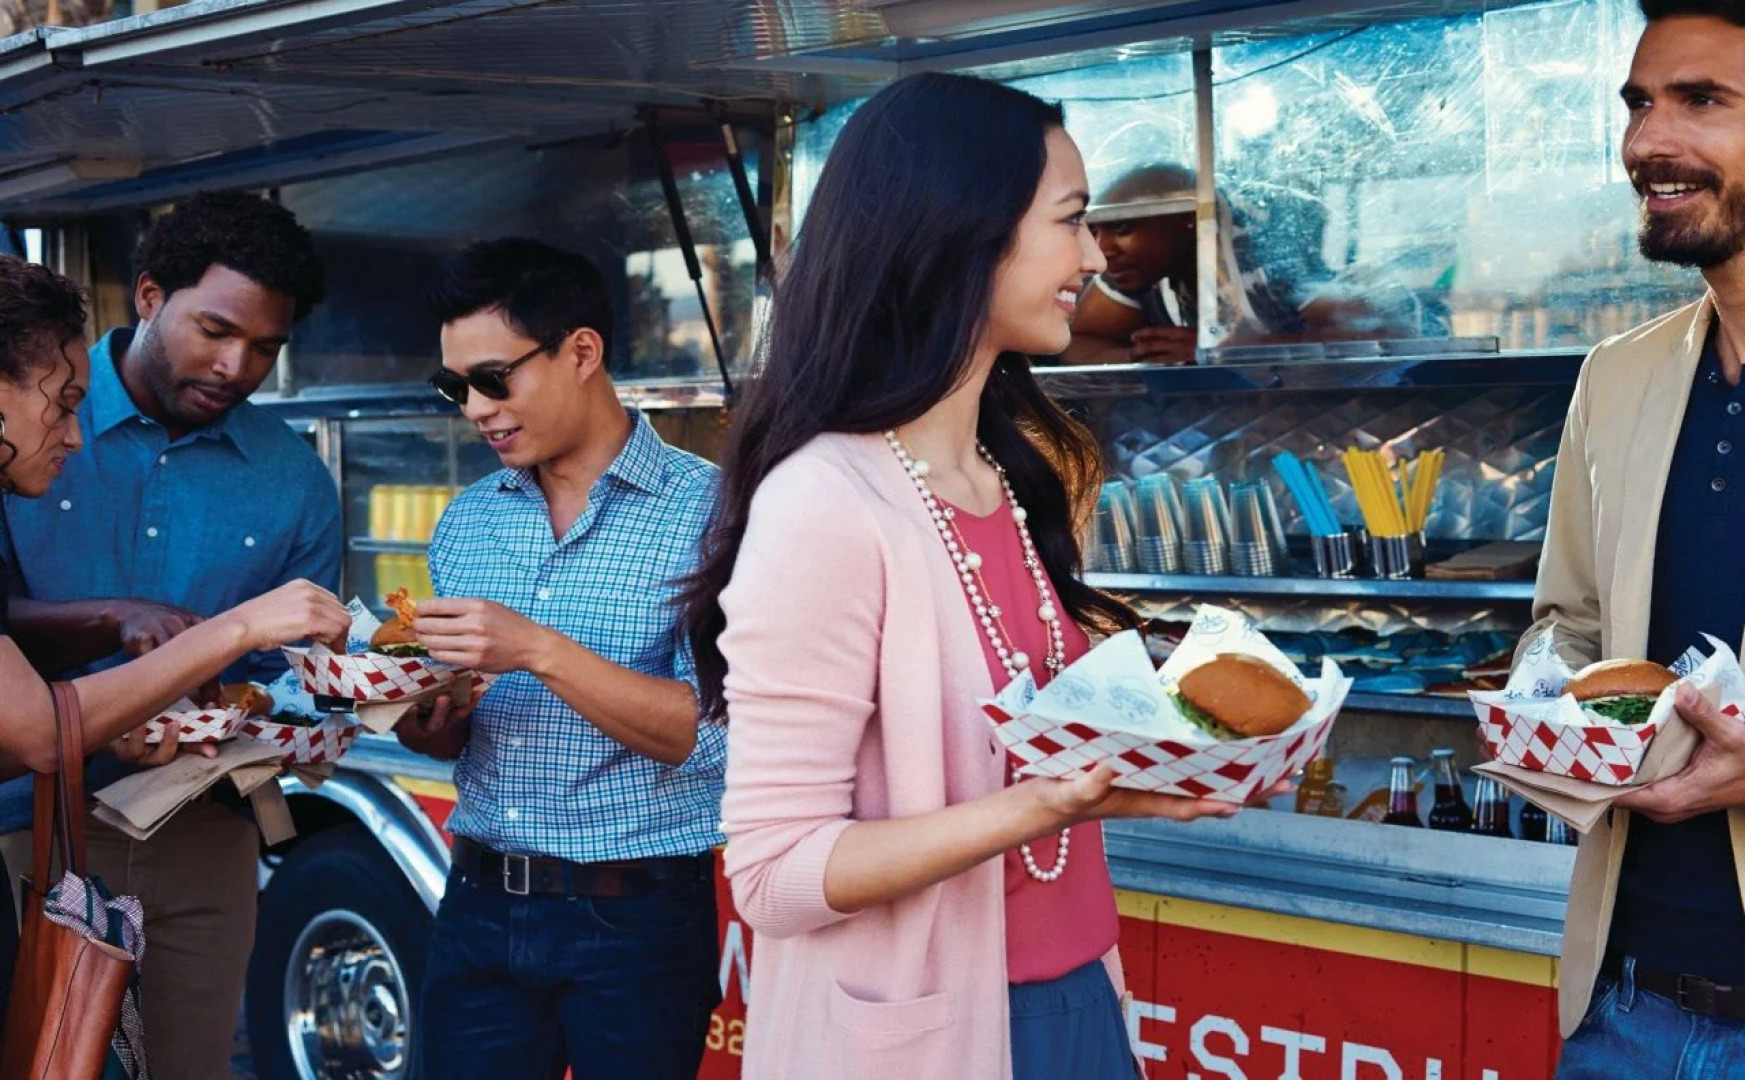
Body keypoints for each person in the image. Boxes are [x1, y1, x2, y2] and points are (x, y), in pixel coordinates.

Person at [681, 72, 1276, 1080]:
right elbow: (774, 875)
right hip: (930, 1035)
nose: (1093, 257)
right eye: (1073, 222)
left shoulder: (1006, 474)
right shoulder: (825, 500)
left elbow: (1022, 762)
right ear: (962, 231)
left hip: (1077, 996)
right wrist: (1043, 806)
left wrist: (1124, 775)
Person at [0, 191, 339, 1080]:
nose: (236, 365)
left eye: (266, 347)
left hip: (204, 829)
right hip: (29, 825)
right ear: (149, 295)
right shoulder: (26, 424)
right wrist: (127, 619)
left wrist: (297, 725)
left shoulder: (294, 480)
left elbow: (294, 677)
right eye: (215, 330)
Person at [393, 238, 724, 1079]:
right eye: (454, 386)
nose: (474, 407)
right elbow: (451, 737)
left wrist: (536, 648)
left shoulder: (716, 511)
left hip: (639, 919)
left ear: (582, 351)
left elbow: (718, 737)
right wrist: (429, 719)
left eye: (494, 378)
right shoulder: (466, 522)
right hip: (474, 904)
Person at [1532, 1, 1745, 1074]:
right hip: (1626, 1007)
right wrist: (1546, 713)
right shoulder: (1611, 380)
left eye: (1700, 101)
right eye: (1637, 104)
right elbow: (1566, 628)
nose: (1645, 143)